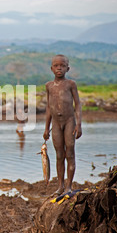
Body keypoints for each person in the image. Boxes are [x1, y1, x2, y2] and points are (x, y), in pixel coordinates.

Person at [43, 54, 82, 195]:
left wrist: (79, 125)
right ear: (51, 68)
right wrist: (46, 128)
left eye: (63, 65)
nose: (59, 68)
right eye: (56, 66)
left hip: (69, 122)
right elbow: (49, 107)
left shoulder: (71, 84)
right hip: (56, 123)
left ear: (68, 68)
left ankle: (68, 187)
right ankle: (60, 186)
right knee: (59, 154)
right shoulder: (49, 86)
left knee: (70, 153)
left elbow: (77, 105)